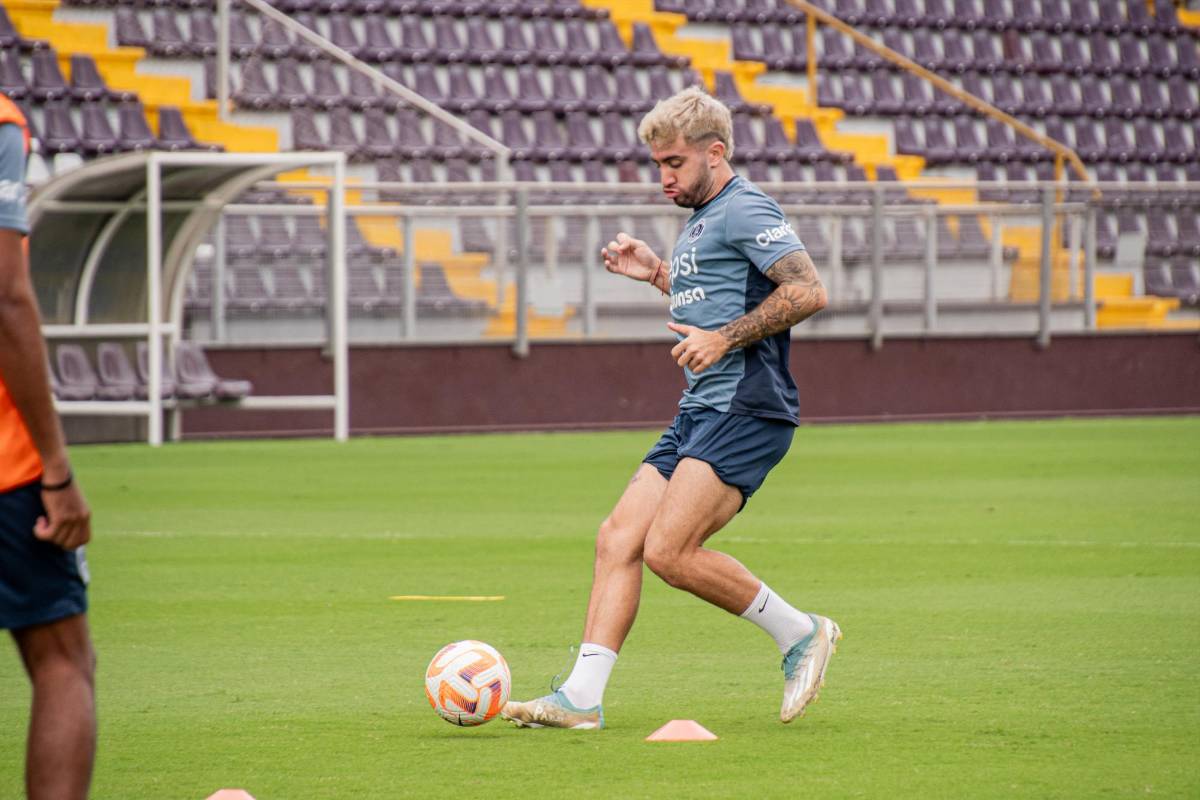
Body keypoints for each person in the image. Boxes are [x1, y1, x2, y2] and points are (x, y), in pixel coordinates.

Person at [502, 87, 839, 730]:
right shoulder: (701, 218)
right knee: (618, 538)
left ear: (716, 153)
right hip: (699, 408)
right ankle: (580, 698)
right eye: (658, 164)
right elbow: (715, 296)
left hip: (747, 408)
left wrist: (724, 338)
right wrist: (660, 273)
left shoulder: (745, 208)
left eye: (676, 162)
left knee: (669, 552)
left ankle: (801, 633)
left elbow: (808, 290)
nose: (664, 176)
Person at [0, 94, 97, 799]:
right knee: (62, 659)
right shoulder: (0, 121)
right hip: (4, 464)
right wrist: (56, 468)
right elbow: (5, 295)